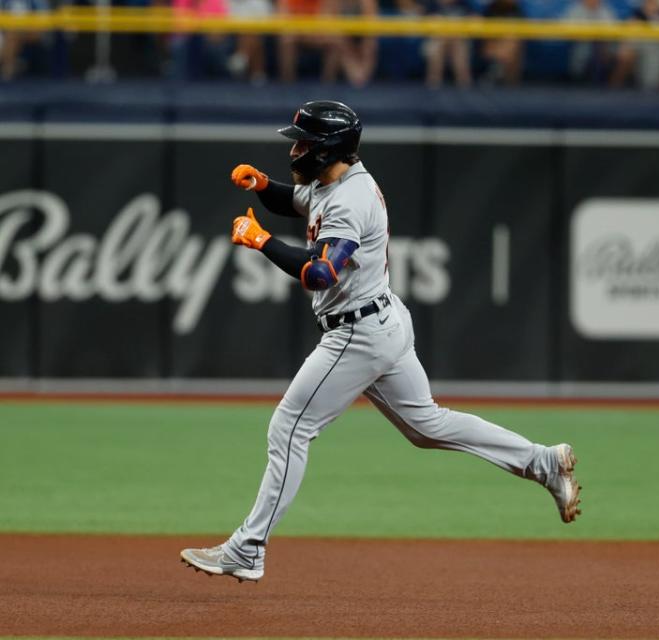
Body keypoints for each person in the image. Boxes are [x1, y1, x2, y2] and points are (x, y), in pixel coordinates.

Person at [180, 101, 582, 582]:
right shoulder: (338, 181)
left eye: (304, 142)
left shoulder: (351, 200)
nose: (295, 149)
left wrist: (261, 241)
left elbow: (319, 272)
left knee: (289, 430)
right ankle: (542, 461)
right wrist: (263, 186)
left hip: (358, 333)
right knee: (427, 425)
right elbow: (300, 201)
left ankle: (247, 550)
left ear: (328, 149)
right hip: (384, 320)